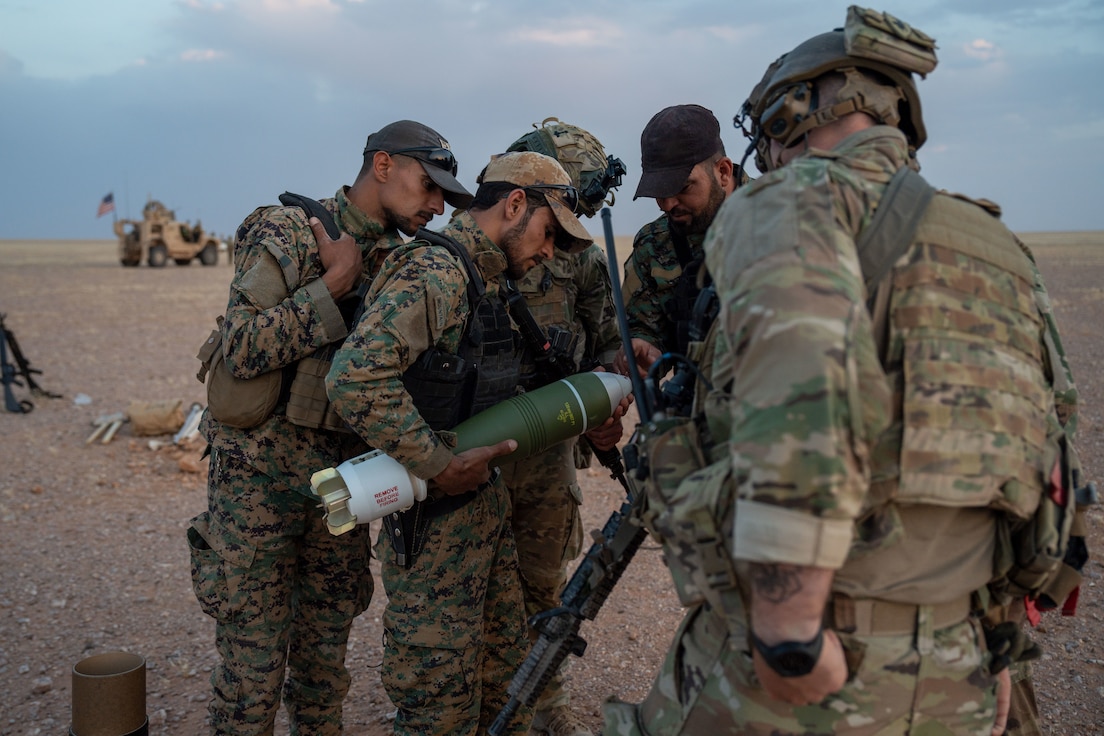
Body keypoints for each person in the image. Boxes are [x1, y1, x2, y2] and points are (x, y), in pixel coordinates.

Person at [603, 7, 1082, 735]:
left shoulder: (788, 201)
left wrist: (789, 637)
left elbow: (804, 409)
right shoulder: (994, 245)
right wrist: (997, 643)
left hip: (821, 660)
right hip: (965, 656)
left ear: (793, 116)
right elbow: (1047, 450)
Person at [186, 119, 473, 735]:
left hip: (339, 486)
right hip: (255, 485)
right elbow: (239, 348)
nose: (436, 205)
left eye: (445, 196)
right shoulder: (288, 229)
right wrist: (332, 286)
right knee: (251, 675)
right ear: (384, 164)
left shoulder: (406, 263)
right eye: (429, 186)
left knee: (323, 670)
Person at [325, 151, 595, 736]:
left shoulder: (487, 279)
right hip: (435, 539)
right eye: (549, 233)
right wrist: (438, 464)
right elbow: (354, 377)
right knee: (439, 709)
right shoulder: (436, 273)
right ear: (515, 204)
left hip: (483, 524)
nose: (549, 252)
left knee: (502, 692)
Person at [500, 119, 627, 736]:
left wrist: (602, 413)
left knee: (544, 589)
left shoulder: (584, 265)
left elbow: (607, 348)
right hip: (477, 450)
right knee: (473, 587)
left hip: (550, 454)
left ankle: (544, 707)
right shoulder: (471, 248)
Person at [614, 104, 745, 379]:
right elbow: (645, 327)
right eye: (659, 192)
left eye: (682, 187)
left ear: (723, 171)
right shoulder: (654, 244)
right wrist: (645, 348)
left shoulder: (785, 219)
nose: (667, 204)